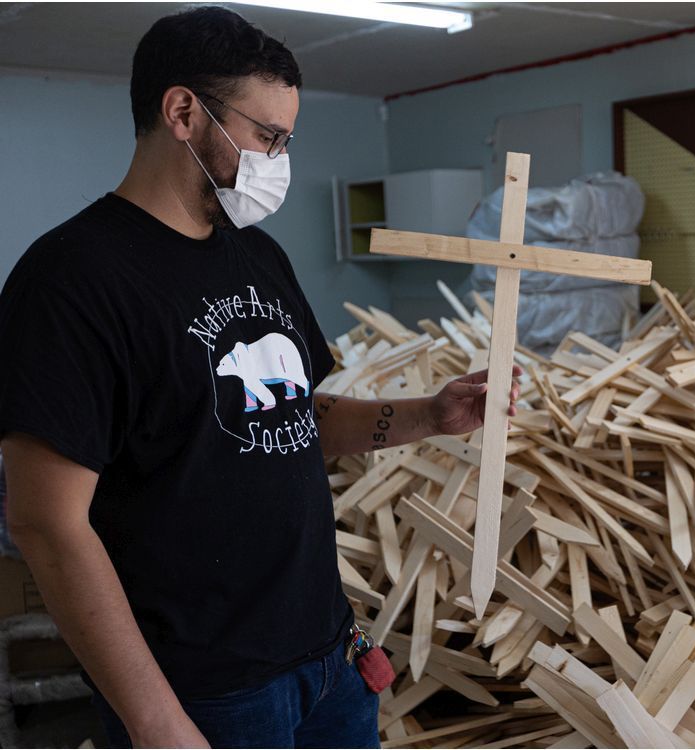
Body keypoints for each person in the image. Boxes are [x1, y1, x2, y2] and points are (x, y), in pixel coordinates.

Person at [0, 7, 519, 748]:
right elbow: (45, 522)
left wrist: (428, 416)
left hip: (328, 661)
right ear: (184, 112)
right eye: (268, 137)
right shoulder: (71, 282)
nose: (279, 159)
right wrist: (157, 722)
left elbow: (295, 415)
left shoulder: (256, 255)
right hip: (207, 693)